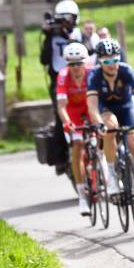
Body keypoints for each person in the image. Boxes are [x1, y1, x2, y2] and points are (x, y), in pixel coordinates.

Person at [86, 39, 134, 210]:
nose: (111, 65)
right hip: (106, 109)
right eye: (106, 61)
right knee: (111, 126)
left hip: (126, 108)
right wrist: (99, 123)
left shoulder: (126, 71)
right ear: (100, 61)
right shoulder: (94, 75)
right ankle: (112, 175)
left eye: (115, 60)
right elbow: (92, 105)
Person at [40, 0, 83, 174]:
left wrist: (68, 37)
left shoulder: (79, 34)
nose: (65, 22)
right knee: (61, 116)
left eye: (68, 18)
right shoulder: (52, 36)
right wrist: (48, 36)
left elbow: (88, 51)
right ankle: (60, 157)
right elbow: (44, 60)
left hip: (80, 78)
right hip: (59, 79)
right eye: (61, 19)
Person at [56, 43, 92, 215]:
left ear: (85, 62)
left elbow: (97, 99)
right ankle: (82, 196)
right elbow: (61, 105)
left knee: (102, 134)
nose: (76, 67)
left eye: (79, 63)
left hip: (90, 108)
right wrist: (67, 122)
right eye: (72, 64)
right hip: (73, 113)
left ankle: (105, 169)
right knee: (77, 148)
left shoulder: (92, 72)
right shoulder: (63, 76)